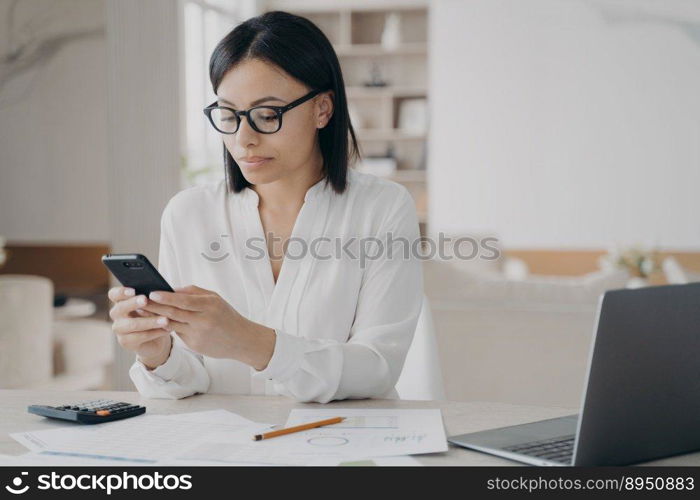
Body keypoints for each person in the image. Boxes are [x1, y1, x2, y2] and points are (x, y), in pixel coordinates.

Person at [108, 11, 423, 403]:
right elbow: (192, 379)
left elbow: (376, 369)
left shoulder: (383, 208)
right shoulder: (188, 213)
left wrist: (250, 342)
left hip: (340, 446)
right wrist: (157, 354)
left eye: (267, 115)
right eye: (228, 115)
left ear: (322, 109)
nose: (244, 139)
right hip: (225, 451)